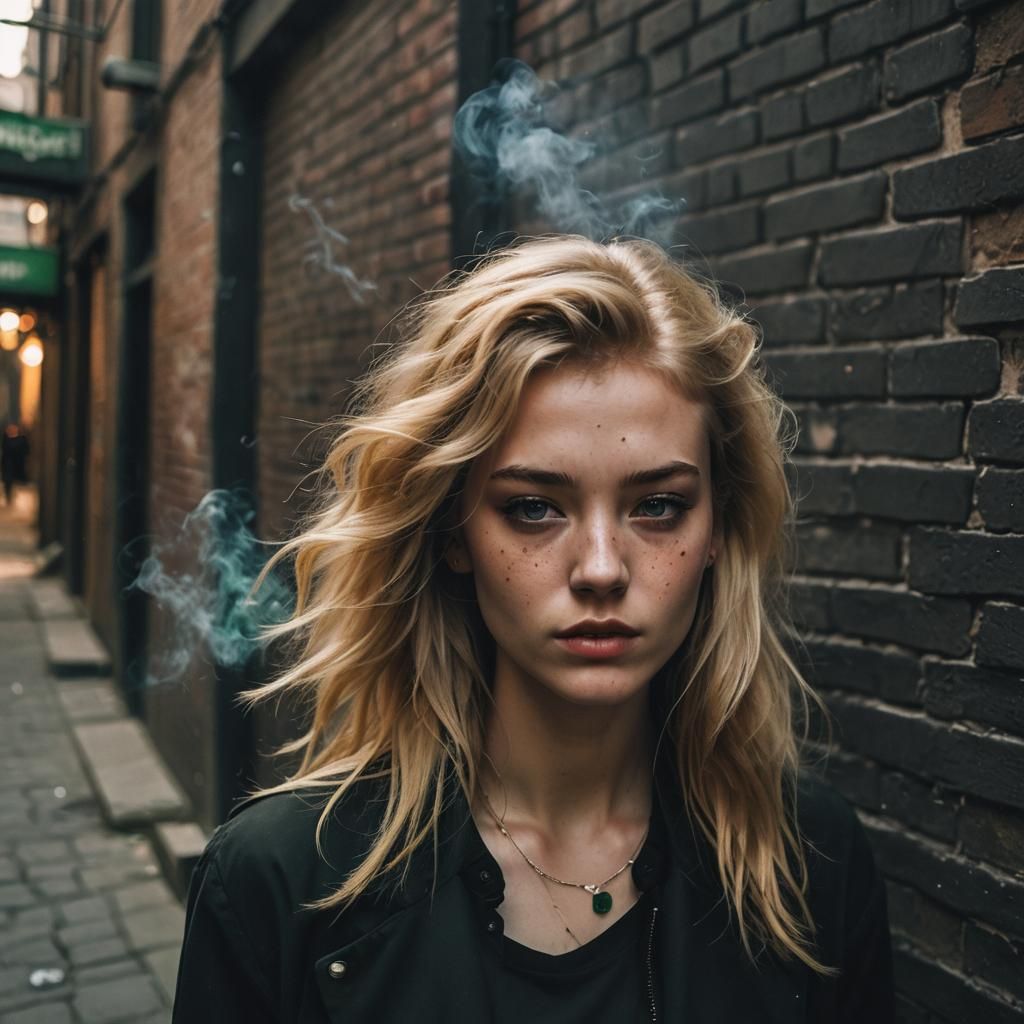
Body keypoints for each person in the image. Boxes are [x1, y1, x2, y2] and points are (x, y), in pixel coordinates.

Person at [172, 236, 893, 1022]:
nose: (601, 568)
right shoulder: (277, 881)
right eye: (533, 507)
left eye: (658, 506)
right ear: (453, 532)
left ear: (719, 526)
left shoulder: (813, 862)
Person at [1, 422, 29, 507]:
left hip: (16, 465)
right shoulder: (6, 439)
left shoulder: (21, 439)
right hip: (8, 465)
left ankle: (12, 497)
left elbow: (26, 451)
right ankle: (9, 497)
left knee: (14, 482)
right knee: (8, 482)